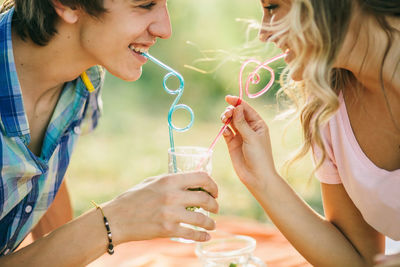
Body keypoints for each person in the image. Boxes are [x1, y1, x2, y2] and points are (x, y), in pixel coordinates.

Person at [0, 0, 219, 265]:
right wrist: (114, 220)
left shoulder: (85, 77)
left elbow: (40, 176)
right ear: (68, 4)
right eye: (145, 4)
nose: (165, 29)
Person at [221, 0, 400, 266]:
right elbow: (358, 260)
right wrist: (262, 179)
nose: (264, 32)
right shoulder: (329, 105)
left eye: (272, 6)